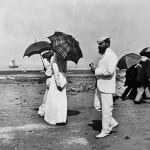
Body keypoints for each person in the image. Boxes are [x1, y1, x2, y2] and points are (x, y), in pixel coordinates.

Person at [89, 36, 119, 138]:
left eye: (101, 44)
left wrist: (95, 71)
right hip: (100, 85)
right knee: (97, 105)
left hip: (107, 86)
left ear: (107, 43)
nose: (99, 46)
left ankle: (105, 130)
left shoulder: (112, 55)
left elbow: (109, 71)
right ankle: (112, 122)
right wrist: (95, 68)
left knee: (106, 109)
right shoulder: (105, 55)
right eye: (98, 44)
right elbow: (104, 69)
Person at [44, 53, 67, 125]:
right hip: (63, 77)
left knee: (54, 100)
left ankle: (53, 119)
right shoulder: (64, 56)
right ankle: (61, 119)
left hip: (56, 79)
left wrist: (58, 83)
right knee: (61, 100)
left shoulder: (54, 57)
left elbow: (55, 71)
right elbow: (65, 70)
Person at [38, 51, 54, 116]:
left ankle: (43, 110)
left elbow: (47, 73)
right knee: (49, 95)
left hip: (48, 79)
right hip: (50, 80)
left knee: (47, 95)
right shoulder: (52, 63)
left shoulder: (47, 64)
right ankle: (46, 111)